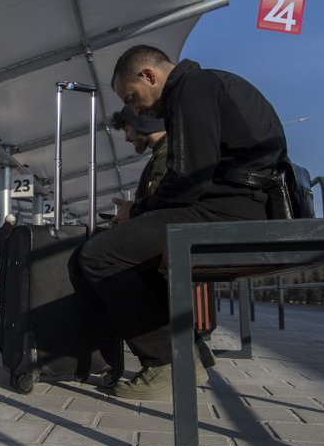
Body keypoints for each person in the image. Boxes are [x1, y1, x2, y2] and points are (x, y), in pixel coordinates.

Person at [74, 44, 287, 400]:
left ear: (149, 75)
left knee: (98, 255)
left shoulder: (192, 88)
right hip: (246, 205)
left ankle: (166, 361)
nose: (134, 109)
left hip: (232, 213)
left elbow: (187, 180)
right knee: (136, 256)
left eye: (132, 97)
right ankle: (188, 349)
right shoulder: (205, 84)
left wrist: (137, 212)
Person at [108, 105, 167, 223]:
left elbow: (162, 203)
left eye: (126, 130)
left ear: (140, 123)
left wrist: (134, 211)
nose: (126, 138)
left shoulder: (166, 154)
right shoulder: (160, 154)